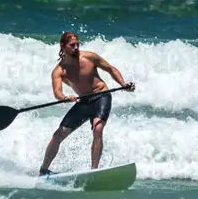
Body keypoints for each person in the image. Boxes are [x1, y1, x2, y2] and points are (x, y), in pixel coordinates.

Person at [39, 31, 135, 175]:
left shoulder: (89, 57)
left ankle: (94, 171)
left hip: (101, 96)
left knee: (97, 129)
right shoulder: (59, 71)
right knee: (59, 134)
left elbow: (110, 69)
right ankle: (43, 170)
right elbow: (57, 92)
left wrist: (123, 84)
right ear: (63, 46)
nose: (76, 47)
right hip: (83, 101)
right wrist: (64, 97)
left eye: (78, 44)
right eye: (72, 45)